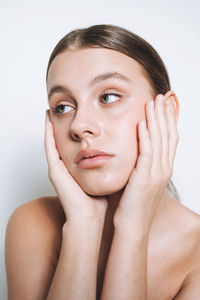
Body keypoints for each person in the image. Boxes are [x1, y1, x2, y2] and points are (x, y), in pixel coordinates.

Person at [5, 24, 200, 300]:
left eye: (108, 97)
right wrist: (83, 226)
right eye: (63, 107)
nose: (79, 125)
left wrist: (132, 228)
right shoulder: (33, 224)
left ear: (166, 112)